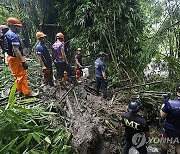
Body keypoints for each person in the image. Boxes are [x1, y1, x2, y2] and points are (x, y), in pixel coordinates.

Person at [5, 17, 36, 97]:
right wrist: (23, 61)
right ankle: (27, 92)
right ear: (14, 26)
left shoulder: (7, 34)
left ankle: (20, 91)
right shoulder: (13, 36)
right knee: (22, 75)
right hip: (16, 59)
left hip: (10, 57)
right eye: (19, 27)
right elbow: (16, 50)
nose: (20, 29)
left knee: (17, 75)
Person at [160, 83, 180, 154]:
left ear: (176, 91)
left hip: (169, 129)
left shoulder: (170, 103)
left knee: (165, 143)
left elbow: (162, 115)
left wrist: (164, 103)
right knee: (178, 145)